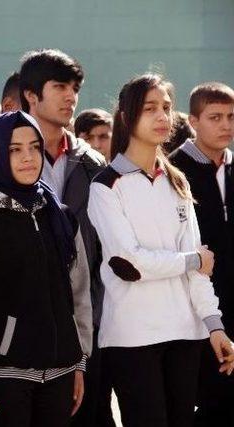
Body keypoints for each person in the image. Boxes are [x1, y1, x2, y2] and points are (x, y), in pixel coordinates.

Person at [88, 74, 234, 427]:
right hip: (132, 336)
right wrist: (191, 261)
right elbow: (129, 264)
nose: (161, 117)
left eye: (167, 108)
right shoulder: (106, 185)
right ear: (126, 116)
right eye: (150, 108)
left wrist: (214, 325)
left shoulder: (177, 180)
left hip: (186, 332)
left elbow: (202, 268)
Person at [0, 111, 92, 427]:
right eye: (14, 149)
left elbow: (79, 294)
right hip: (1, 380)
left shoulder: (62, 218)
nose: (28, 158)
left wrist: (79, 361)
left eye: (35, 147)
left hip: (62, 374)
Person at [19, 49, 110, 427]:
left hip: (87, 321)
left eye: (74, 88)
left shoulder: (92, 164)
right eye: (59, 87)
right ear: (31, 95)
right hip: (23, 327)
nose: (71, 96)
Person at [168, 82, 234, 426]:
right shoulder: (173, 171)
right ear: (193, 120)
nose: (225, 125)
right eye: (215, 117)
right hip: (195, 311)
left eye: (231, 117)